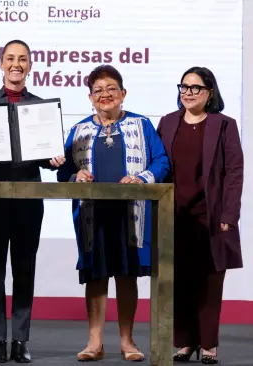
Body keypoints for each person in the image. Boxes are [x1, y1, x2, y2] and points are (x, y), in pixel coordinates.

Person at [0, 39, 65, 363]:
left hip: (29, 196)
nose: (16, 64)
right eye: (10, 58)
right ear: (0, 63)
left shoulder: (40, 106)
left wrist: (54, 159)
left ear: (30, 65)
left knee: (24, 268)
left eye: (22, 59)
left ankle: (20, 339)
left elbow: (43, 156)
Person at [57, 64, 170, 362]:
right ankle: (94, 343)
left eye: (111, 89)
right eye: (98, 91)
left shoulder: (142, 125)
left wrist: (141, 179)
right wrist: (75, 176)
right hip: (92, 214)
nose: (105, 94)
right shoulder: (78, 130)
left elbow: (161, 162)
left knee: (126, 274)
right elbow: (64, 171)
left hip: (130, 213)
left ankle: (127, 342)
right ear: (90, 98)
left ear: (123, 93)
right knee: (95, 274)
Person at [157, 66, 243, 364]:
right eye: (184, 86)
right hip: (174, 214)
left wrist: (230, 212)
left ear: (209, 93)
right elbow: (158, 165)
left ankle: (208, 344)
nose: (188, 92)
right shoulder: (168, 123)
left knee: (208, 282)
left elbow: (234, 172)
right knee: (178, 279)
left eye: (195, 88)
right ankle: (185, 342)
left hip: (211, 214)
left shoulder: (224, 125)